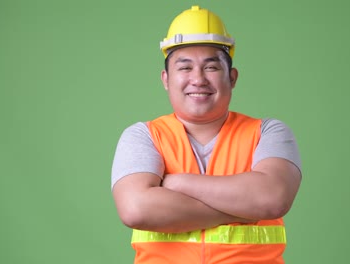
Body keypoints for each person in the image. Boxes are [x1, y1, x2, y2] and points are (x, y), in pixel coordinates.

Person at [111, 5, 302, 264]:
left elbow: (272, 198)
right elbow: (136, 209)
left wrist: (177, 183)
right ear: (166, 79)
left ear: (232, 78)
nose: (198, 79)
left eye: (211, 67)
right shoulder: (144, 136)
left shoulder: (268, 132)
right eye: (185, 67)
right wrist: (243, 209)